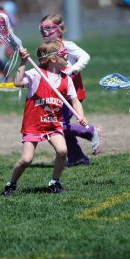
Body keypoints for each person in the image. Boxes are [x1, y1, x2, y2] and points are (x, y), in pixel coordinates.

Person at [4, 40, 88, 196]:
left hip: (53, 124)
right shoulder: (36, 74)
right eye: (64, 55)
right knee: (27, 159)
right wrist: (23, 62)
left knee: (63, 151)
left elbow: (75, 101)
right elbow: (18, 82)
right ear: (54, 59)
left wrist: (80, 116)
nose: (67, 58)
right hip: (33, 125)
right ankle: (11, 184)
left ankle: (54, 182)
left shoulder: (66, 79)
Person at [39, 14, 103, 167]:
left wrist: (72, 70)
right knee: (60, 126)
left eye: (48, 28)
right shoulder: (46, 48)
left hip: (71, 93)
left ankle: (91, 131)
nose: (44, 32)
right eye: (41, 29)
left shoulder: (66, 45)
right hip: (57, 95)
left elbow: (85, 56)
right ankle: (77, 158)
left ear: (60, 29)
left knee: (58, 124)